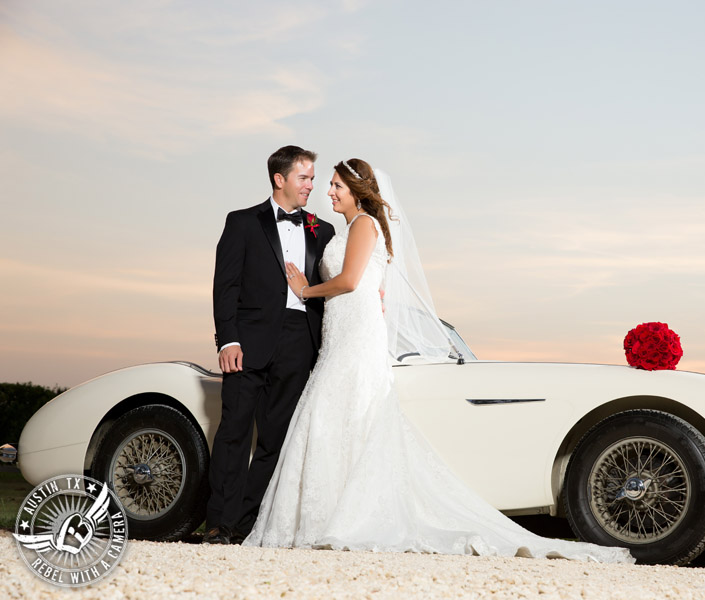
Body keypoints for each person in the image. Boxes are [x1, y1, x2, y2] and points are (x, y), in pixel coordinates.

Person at [242, 158, 632, 563]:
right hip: (342, 330)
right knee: (334, 416)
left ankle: (342, 517)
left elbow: (352, 280)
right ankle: (326, 515)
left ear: (357, 190)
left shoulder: (362, 225)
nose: (330, 192)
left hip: (356, 334)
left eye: (337, 185)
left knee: (340, 412)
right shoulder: (353, 228)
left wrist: (306, 291)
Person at [206, 146, 335, 544]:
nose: (311, 186)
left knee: (277, 440)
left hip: (300, 342)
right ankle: (220, 525)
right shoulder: (242, 222)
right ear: (280, 179)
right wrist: (227, 339)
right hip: (246, 342)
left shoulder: (323, 230)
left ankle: (248, 525)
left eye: (313, 178)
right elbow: (225, 286)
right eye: (304, 178)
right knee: (234, 433)